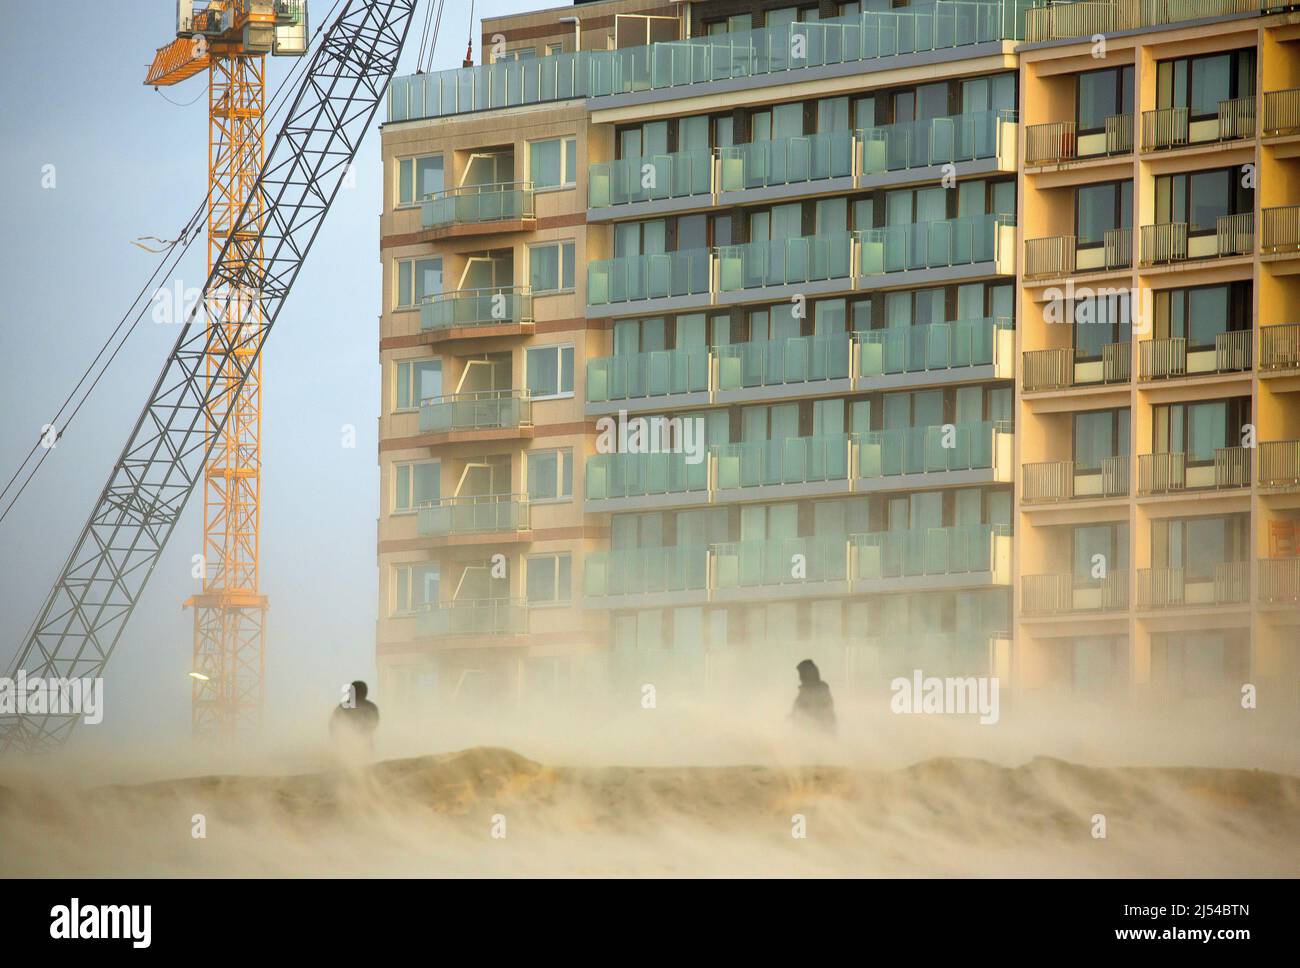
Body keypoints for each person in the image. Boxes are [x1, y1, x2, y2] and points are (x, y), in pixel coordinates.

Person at [330, 680, 380, 750]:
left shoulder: (370, 707)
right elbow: (333, 725)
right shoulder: (344, 707)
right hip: (348, 745)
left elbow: (374, 723)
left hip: (363, 744)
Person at [790, 659, 836, 734]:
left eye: (801, 674)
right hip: (809, 730)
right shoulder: (805, 690)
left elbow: (824, 709)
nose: (800, 677)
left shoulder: (821, 689)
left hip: (819, 730)